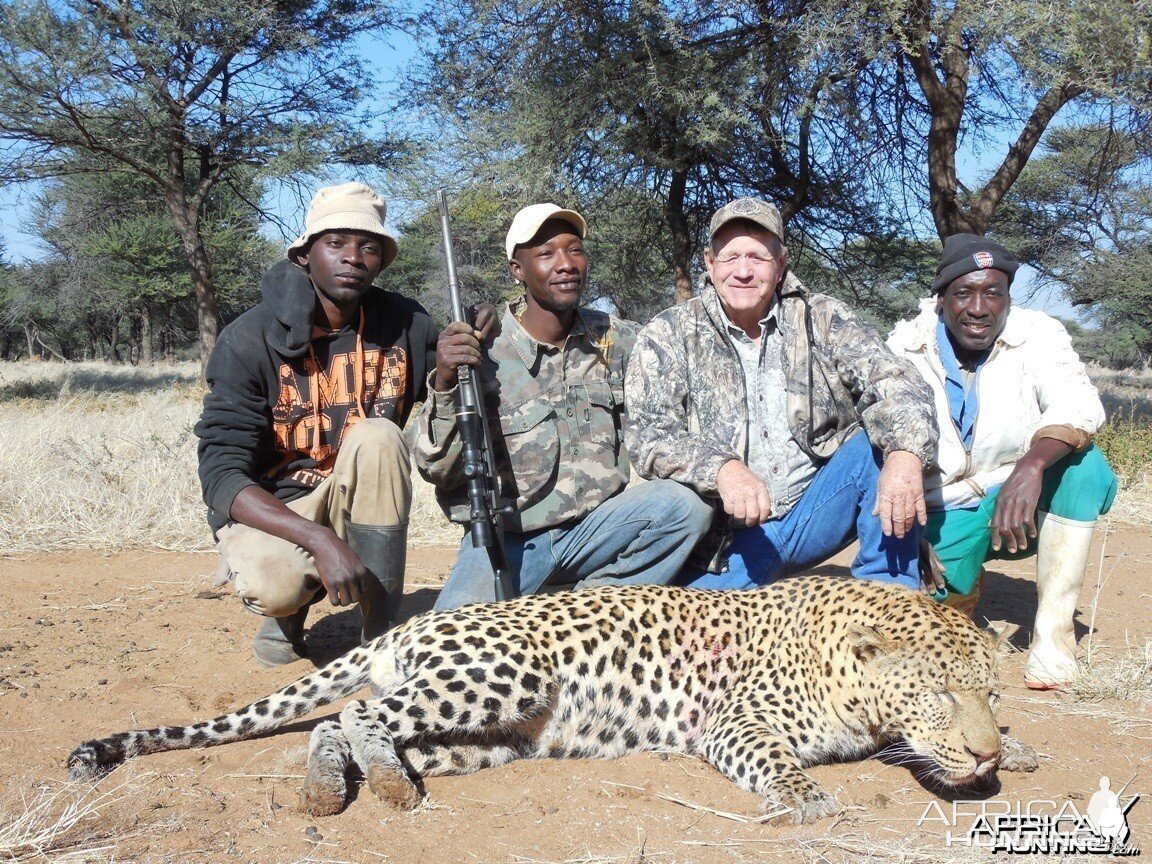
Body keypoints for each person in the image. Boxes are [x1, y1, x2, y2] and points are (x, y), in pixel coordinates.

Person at [196, 182, 494, 668]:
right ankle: (289, 611)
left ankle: (379, 632)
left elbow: (451, 387)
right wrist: (320, 539)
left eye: (368, 246)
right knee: (275, 584)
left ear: (381, 262)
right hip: (282, 505)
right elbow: (222, 477)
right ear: (305, 256)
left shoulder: (404, 322)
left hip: (361, 495)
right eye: (336, 243)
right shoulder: (247, 339)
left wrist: (468, 345)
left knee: (378, 436)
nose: (353, 258)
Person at [625, 197, 938, 590]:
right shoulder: (668, 333)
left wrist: (906, 456)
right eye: (730, 257)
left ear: (781, 264)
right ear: (709, 262)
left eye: (757, 257)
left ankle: (887, 600)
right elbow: (647, 434)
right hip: (728, 546)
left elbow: (896, 381)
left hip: (815, 512)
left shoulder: (823, 317)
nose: (743, 271)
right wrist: (721, 468)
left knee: (881, 448)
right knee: (705, 648)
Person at [413, 203, 713, 609]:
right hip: (513, 541)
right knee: (450, 647)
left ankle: (582, 613)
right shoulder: (482, 353)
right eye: (546, 254)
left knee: (683, 508)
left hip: (600, 528)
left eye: (575, 250)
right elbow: (438, 469)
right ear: (517, 270)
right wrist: (447, 380)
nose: (566, 264)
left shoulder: (618, 339)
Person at [887, 233, 1116, 689]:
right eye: (963, 293)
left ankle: (1053, 638)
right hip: (939, 505)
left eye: (993, 292)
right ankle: (965, 586)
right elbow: (877, 449)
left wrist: (1031, 467)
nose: (978, 307)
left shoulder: (1038, 334)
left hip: (1013, 491)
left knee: (1084, 466)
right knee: (931, 618)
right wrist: (908, 536)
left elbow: (1080, 404)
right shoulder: (904, 348)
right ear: (941, 299)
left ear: (1008, 297)